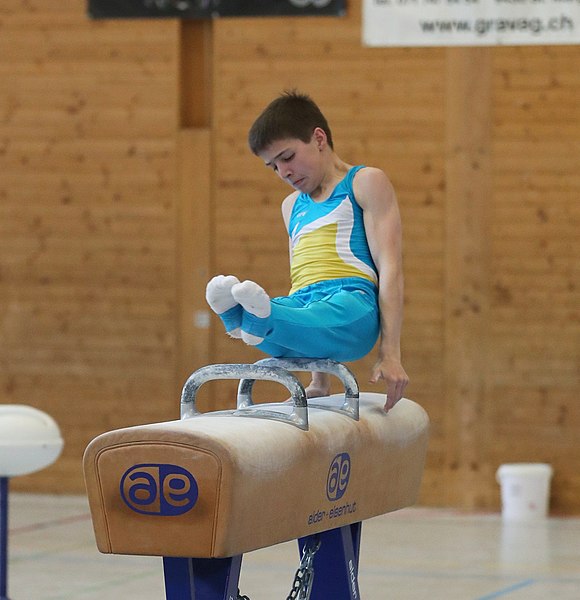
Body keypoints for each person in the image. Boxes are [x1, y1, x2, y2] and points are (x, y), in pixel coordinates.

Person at [205, 90, 408, 411]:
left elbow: (391, 269)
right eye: (272, 167)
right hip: (305, 301)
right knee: (282, 314)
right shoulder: (290, 207)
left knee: (279, 315)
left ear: (318, 138)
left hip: (352, 307)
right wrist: (319, 381)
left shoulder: (365, 182)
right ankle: (243, 320)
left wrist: (391, 354)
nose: (283, 173)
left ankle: (252, 319)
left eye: (287, 157)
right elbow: (300, 283)